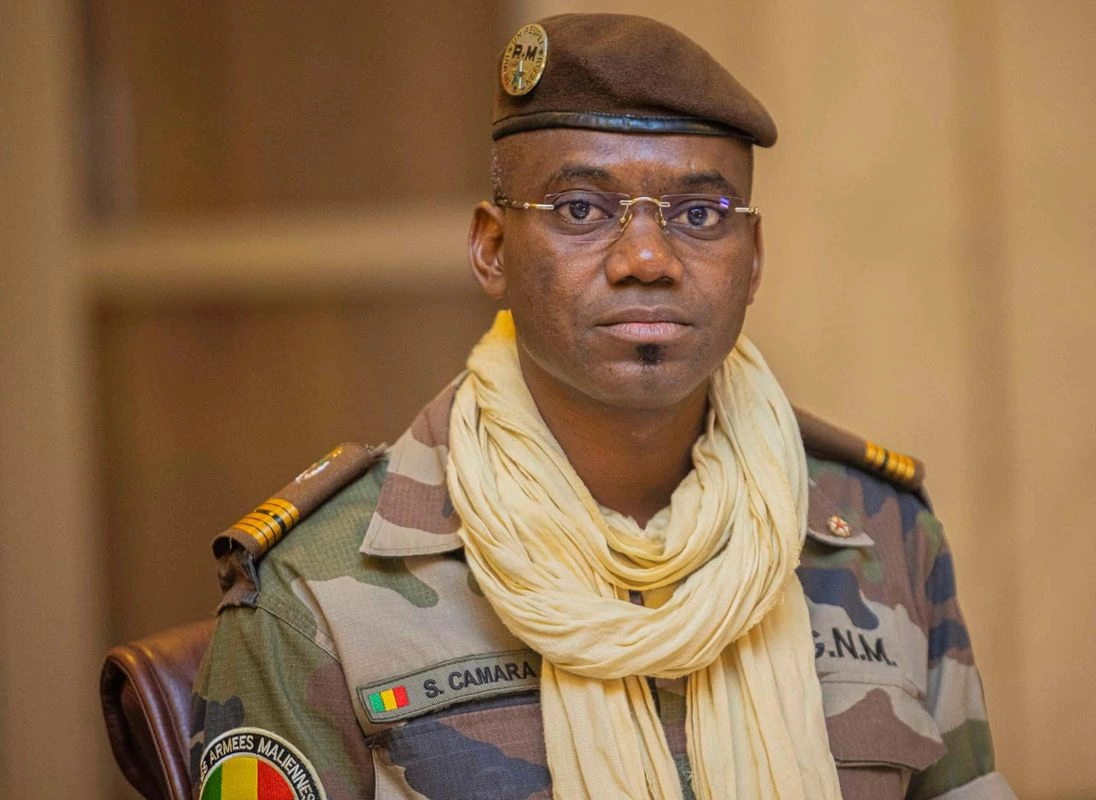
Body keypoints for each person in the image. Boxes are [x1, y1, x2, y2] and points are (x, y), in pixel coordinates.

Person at [190, 13, 1015, 800]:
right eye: (581, 209)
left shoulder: (880, 537)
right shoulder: (319, 593)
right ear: (491, 249)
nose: (648, 258)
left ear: (753, 259)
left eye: (701, 214)